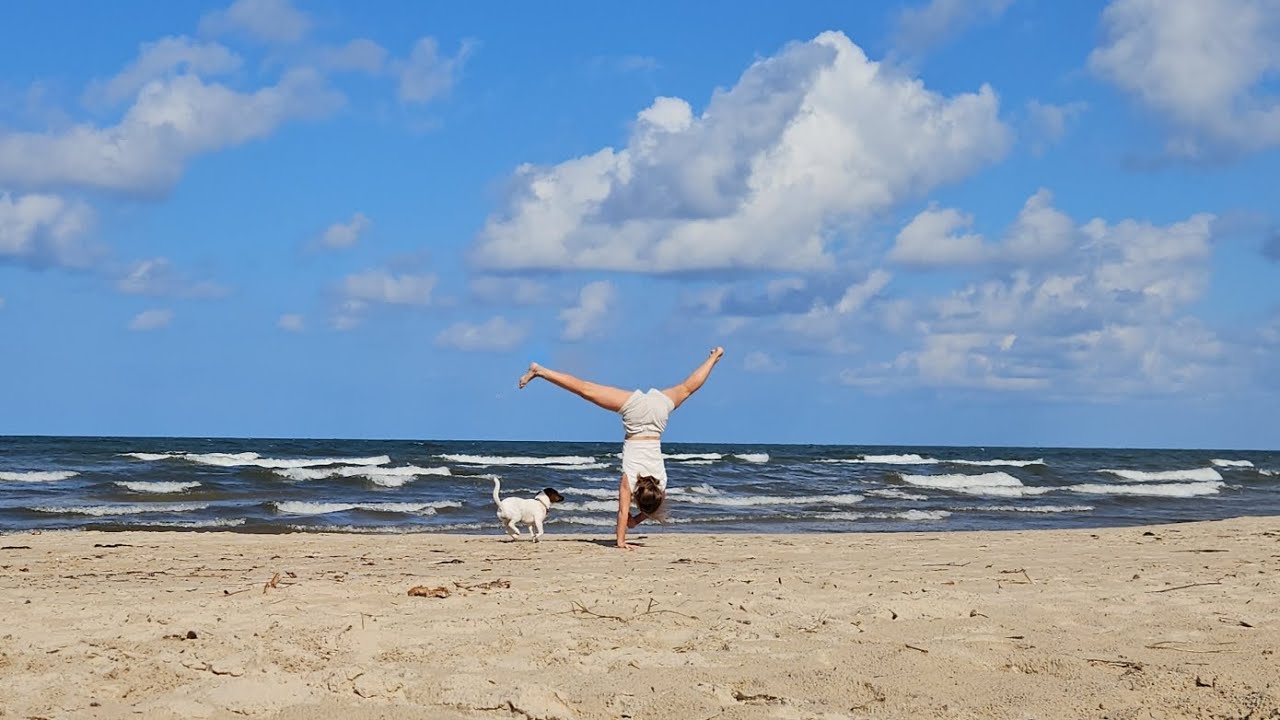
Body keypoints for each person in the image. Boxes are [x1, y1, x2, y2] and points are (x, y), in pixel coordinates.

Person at [518, 347, 725, 550]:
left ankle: (714, 356)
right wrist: (621, 540)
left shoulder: (661, 483)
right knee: (585, 390)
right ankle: (540, 371)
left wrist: (635, 520)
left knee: (687, 388)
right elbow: (622, 511)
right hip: (635, 416)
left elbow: (652, 504)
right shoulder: (632, 479)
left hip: (657, 413)